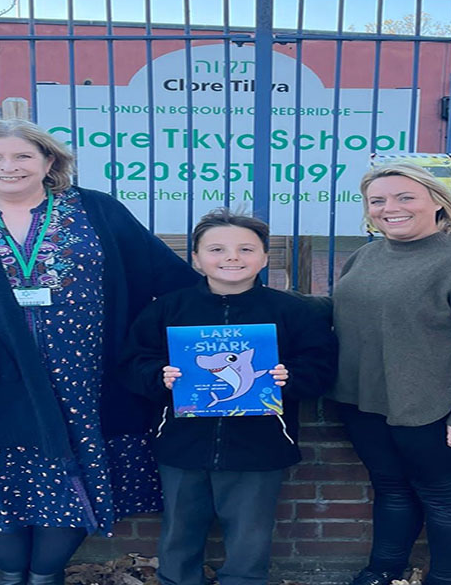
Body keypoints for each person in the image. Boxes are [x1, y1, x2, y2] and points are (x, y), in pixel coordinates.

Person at [0, 118, 199, 585]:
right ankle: (12, 575)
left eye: (24, 156)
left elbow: (168, 281)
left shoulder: (98, 211)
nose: (9, 166)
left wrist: (238, 313)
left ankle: (47, 574)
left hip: (88, 374)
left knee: (84, 466)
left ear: (50, 161)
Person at [122, 209, 336, 585]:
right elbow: (133, 361)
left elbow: (321, 365)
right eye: (217, 249)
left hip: (260, 443)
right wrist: (159, 377)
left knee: (250, 533)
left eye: (246, 249)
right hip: (181, 442)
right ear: (197, 258)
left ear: (265, 258)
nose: (232, 258)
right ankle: (176, 580)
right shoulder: (168, 309)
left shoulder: (291, 311)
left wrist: (293, 376)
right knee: (179, 528)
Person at [330, 163, 451, 585]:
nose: (389, 208)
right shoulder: (366, 255)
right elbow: (342, 315)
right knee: (391, 488)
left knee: (444, 496)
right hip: (364, 401)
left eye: (404, 197)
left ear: (437, 202)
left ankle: (447, 579)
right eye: (378, 200)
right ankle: (383, 571)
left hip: (431, 405)